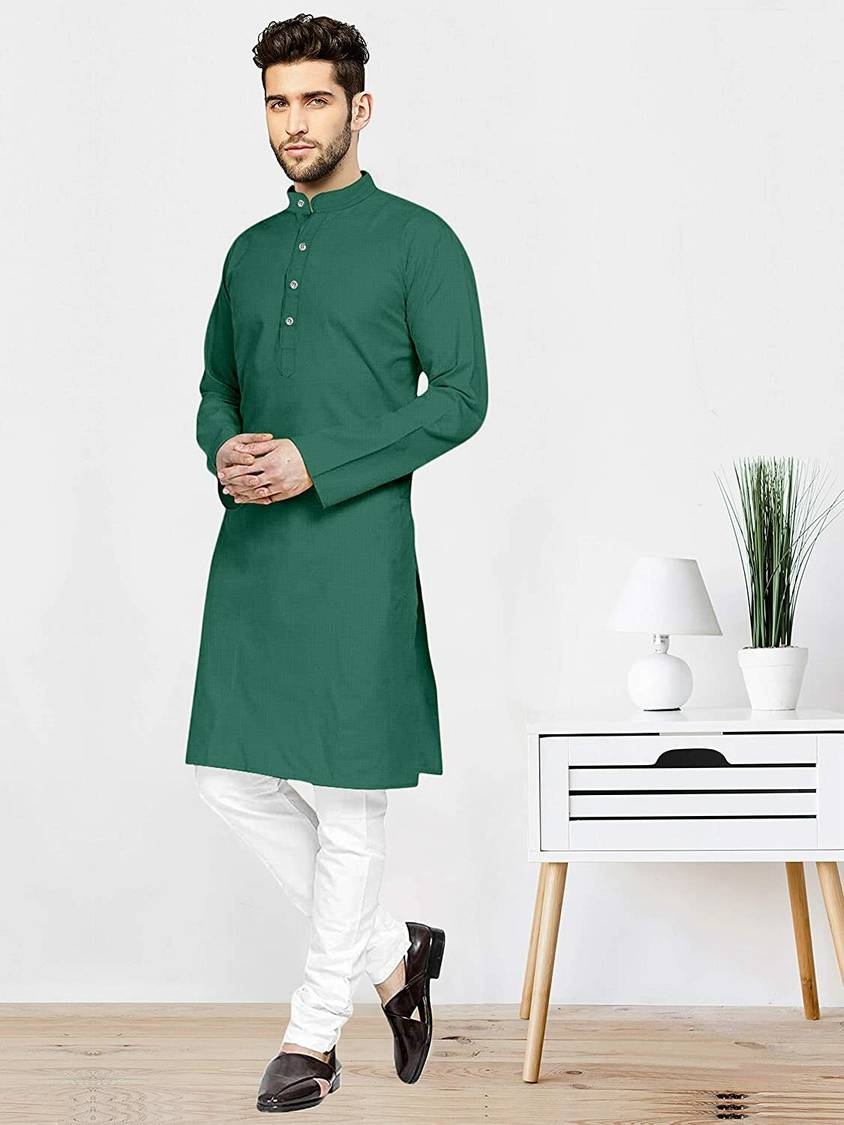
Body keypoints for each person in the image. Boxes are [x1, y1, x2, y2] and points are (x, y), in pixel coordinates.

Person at [185, 12, 488, 1113]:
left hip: (357, 548)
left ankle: (312, 1037)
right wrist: (223, 445)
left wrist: (320, 461)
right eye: (278, 102)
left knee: (349, 798)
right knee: (228, 776)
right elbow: (216, 387)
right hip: (255, 549)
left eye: (315, 100)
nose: (294, 123)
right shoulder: (250, 252)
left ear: (360, 107)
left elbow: (462, 399)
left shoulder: (419, 240)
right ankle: (393, 954)